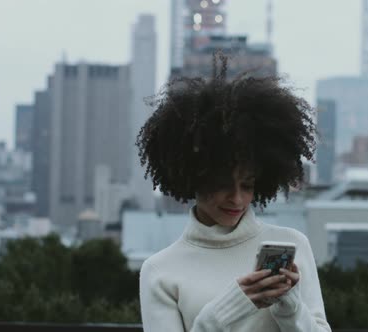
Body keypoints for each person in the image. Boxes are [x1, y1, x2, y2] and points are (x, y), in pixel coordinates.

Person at [137, 54, 331, 332]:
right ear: (193, 177)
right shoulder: (159, 270)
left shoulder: (293, 244)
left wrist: (290, 308)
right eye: (221, 185)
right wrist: (230, 307)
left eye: (248, 185)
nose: (237, 199)